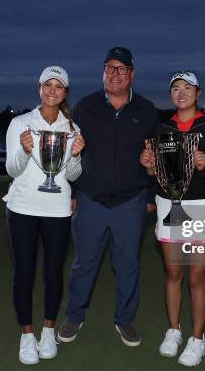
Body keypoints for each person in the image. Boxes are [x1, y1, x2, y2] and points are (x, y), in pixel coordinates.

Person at [57, 47, 161, 347]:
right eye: (109, 68)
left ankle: (124, 319)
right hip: (90, 199)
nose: (115, 74)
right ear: (103, 72)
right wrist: (73, 191)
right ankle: (75, 316)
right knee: (83, 264)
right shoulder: (85, 107)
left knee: (127, 265)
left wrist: (151, 192)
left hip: (131, 200)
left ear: (132, 74)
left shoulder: (146, 110)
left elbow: (155, 157)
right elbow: (70, 154)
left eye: (121, 68)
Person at [140, 70, 205, 366]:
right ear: (171, 95)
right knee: (173, 274)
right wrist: (149, 167)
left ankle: (198, 339)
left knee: (197, 278)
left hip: (201, 207)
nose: (181, 93)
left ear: (198, 93)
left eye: (187, 87)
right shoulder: (162, 128)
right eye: (175, 88)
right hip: (169, 207)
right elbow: (158, 175)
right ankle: (174, 330)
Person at [3, 65, 85, 365]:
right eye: (47, 85)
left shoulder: (72, 129)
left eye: (58, 86)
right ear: (39, 88)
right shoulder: (20, 123)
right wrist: (24, 151)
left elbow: (73, 176)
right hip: (22, 207)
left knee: (53, 273)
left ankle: (48, 330)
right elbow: (11, 170)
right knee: (23, 273)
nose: (52, 90)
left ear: (65, 92)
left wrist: (75, 155)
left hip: (58, 209)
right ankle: (27, 335)